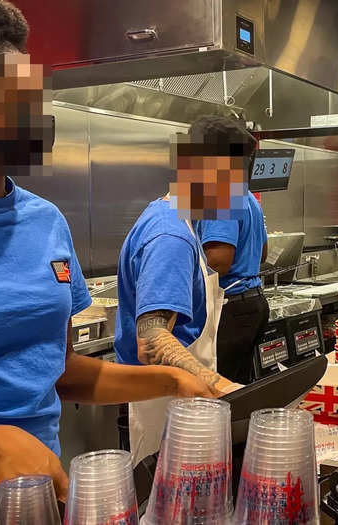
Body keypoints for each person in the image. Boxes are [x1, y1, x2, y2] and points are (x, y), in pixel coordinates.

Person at [0, 1, 214, 517]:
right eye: (21, 102)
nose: (39, 118)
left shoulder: (44, 222)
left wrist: (173, 380)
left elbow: (58, 374)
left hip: (35, 489)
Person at [114, 115, 252, 466]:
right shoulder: (171, 236)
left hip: (180, 402)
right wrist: (221, 386)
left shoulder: (179, 221)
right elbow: (151, 339)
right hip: (165, 407)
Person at [196, 117, 269, 384]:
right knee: (238, 393)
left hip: (230, 308)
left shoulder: (220, 191)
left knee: (217, 395)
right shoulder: (246, 194)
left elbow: (219, 261)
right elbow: (263, 253)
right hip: (253, 303)